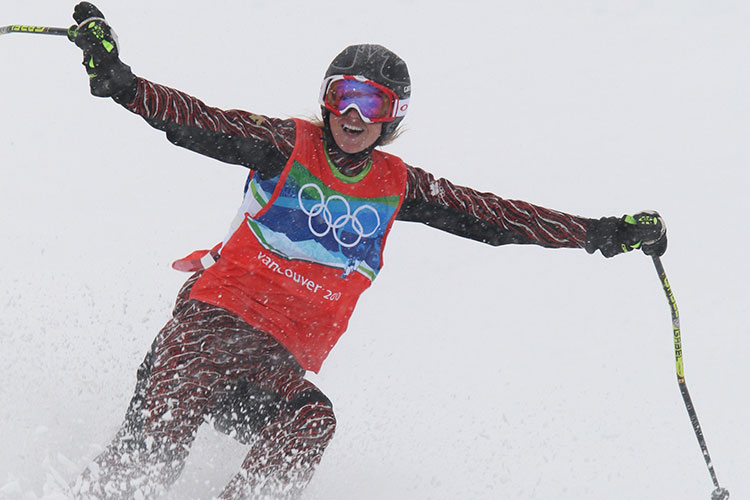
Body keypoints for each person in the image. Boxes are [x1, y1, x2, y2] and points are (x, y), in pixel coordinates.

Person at [65, 2, 667, 499]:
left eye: (372, 103)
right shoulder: (284, 144)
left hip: (272, 363)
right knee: (146, 469)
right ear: (326, 100)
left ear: (393, 115)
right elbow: (197, 121)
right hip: (213, 326)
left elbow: (496, 216)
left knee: (312, 419)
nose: (353, 114)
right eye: (344, 95)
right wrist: (123, 83)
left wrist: (603, 233)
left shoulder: (400, 186)